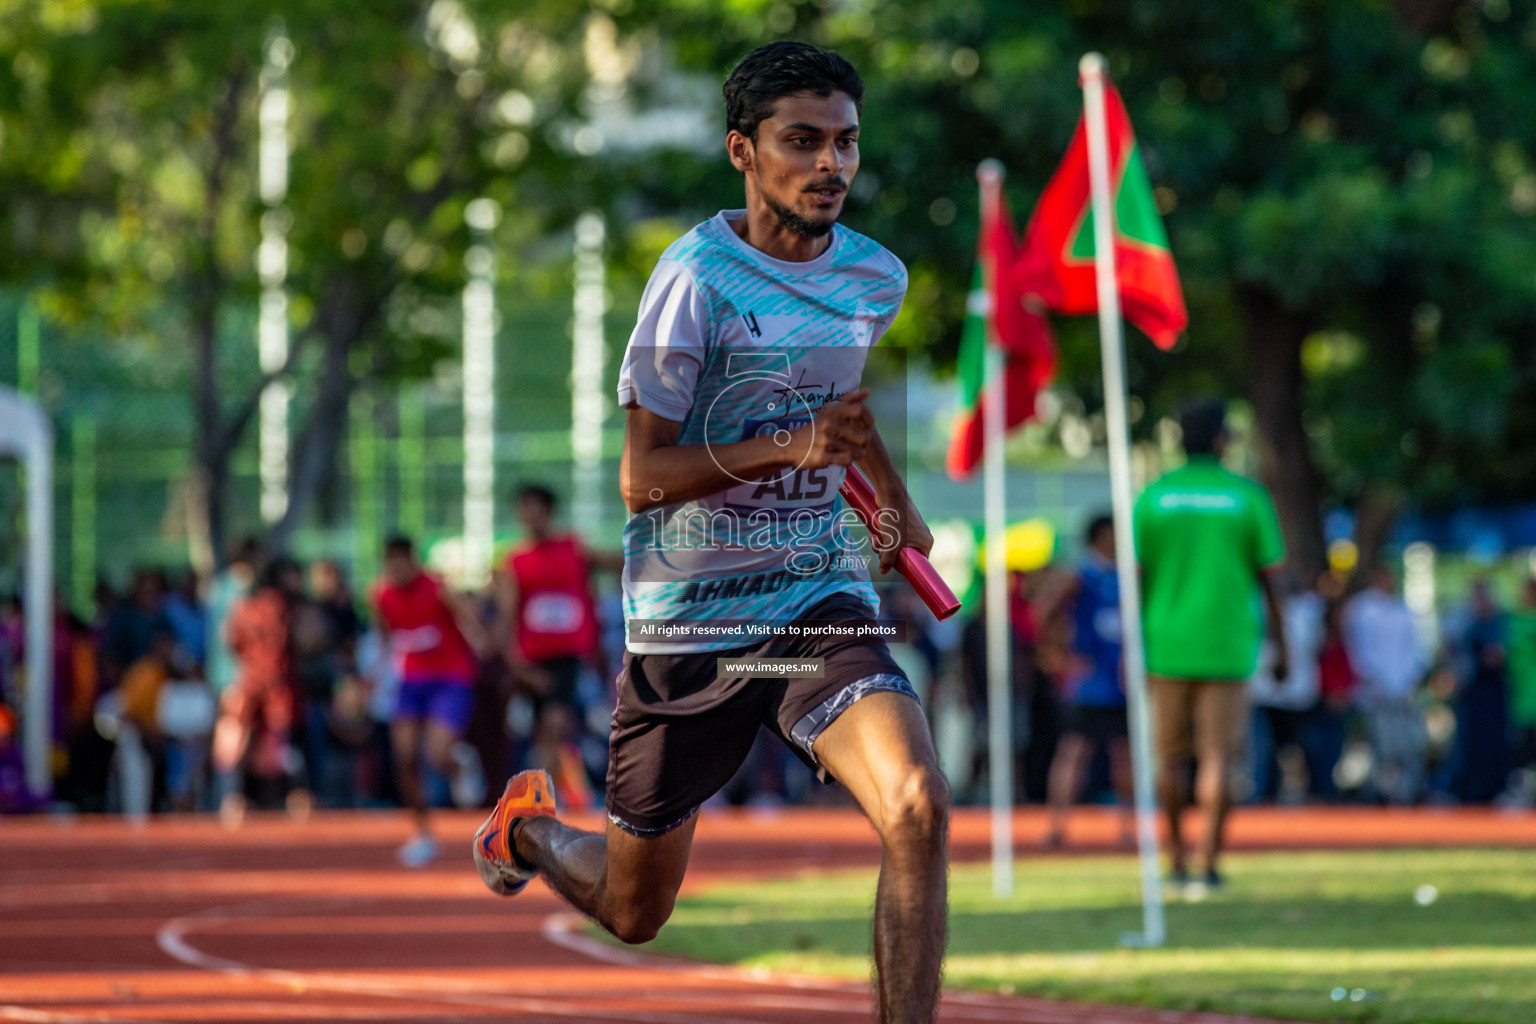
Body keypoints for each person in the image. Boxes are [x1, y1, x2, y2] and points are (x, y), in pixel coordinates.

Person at [471, 42, 949, 1023]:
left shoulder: (872, 277)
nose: (831, 166)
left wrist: (895, 507)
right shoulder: (693, 278)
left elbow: (845, 410)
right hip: (689, 627)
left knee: (917, 806)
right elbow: (643, 478)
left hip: (813, 601)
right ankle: (525, 832)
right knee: (634, 908)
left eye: (847, 144)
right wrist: (792, 444)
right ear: (744, 149)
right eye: (802, 142)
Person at [1134, 398, 1287, 888]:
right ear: (1221, 439)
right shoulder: (1248, 497)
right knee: (1219, 757)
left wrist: (1132, 649)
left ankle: (1175, 858)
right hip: (1228, 645)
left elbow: (1134, 579)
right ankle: (1209, 864)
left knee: (1171, 757)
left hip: (1164, 645)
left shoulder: (1154, 497)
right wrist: (1282, 645)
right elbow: (1271, 580)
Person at [497, 484, 620, 807]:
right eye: (524, 510)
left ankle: (547, 801)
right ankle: (552, 795)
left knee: (554, 726)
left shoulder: (574, 549)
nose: (529, 517)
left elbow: (619, 563)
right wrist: (516, 666)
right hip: (533, 659)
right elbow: (507, 618)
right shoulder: (515, 561)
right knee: (545, 734)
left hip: (570, 657)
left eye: (535, 509)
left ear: (549, 513)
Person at [371, 536, 488, 866]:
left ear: (413, 561)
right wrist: (369, 679)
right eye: (389, 561)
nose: (396, 568)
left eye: (401, 560)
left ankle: (459, 762)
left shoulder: (438, 589)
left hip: (450, 678)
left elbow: (468, 619)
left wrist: (480, 638)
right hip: (410, 682)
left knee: (435, 753)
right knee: (404, 756)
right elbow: (384, 639)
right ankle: (422, 834)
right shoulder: (382, 595)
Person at [1039, 515, 1132, 848]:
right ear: (1100, 536)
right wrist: (1059, 656)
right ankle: (1056, 827)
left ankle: (1126, 829)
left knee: (1125, 756)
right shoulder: (1081, 574)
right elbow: (1045, 611)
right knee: (1074, 752)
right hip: (1090, 683)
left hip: (1122, 682)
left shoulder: (1129, 574)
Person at [1342, 564, 1429, 805]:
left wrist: (1412, 678)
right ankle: (1378, 794)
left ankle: (1407, 793)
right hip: (1376, 692)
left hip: (1404, 692)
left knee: (1410, 745)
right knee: (1381, 747)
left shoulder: (1403, 610)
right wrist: (1370, 677)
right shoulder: (1361, 609)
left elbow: (1416, 649)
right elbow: (1357, 649)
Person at [1247, 571, 1324, 803]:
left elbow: (1313, 647)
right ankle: (1261, 793)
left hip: (1296, 694)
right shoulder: (1257, 608)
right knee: (1261, 747)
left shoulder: (1305, 612)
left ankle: (1293, 792)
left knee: (1293, 747)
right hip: (1263, 691)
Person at [1504, 576, 1536, 805]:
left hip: (1529, 699)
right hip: (1521, 701)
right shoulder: (1513, 622)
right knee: (1522, 752)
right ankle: (1524, 795)